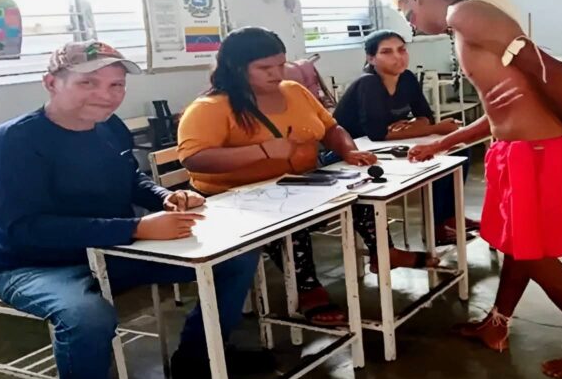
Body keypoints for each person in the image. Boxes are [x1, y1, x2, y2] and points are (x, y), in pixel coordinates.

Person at [0, 41, 268, 379]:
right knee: (87, 317)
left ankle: (198, 357)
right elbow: (26, 230)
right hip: (35, 265)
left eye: (116, 84)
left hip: (115, 252)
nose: (105, 95)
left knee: (236, 256)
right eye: (88, 83)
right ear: (51, 83)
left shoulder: (109, 126)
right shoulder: (13, 142)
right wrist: (136, 228)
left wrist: (166, 197)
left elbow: (130, 177)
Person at [393, 0, 562, 379]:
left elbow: (552, 71)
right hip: (519, 152)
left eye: (407, 13)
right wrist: (441, 143)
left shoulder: (465, 15)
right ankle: (496, 324)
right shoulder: (463, 26)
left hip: (537, 153)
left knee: (533, 253)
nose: (410, 23)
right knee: (519, 246)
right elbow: (500, 109)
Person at [177, 26, 438, 326]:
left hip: (299, 181)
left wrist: (347, 151)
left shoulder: (294, 91)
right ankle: (307, 288)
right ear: (235, 69)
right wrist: (262, 150)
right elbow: (195, 159)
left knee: (360, 192)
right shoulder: (209, 108)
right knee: (289, 220)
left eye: (280, 64)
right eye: (264, 68)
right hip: (238, 198)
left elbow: (331, 128)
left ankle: (385, 252)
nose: (276, 74)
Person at [333, 29, 477, 244]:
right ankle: (435, 226)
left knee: (458, 151)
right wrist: (434, 128)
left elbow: (424, 116)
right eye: (387, 52)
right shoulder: (368, 83)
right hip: (356, 153)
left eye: (401, 50)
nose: (398, 57)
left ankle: (449, 216)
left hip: (387, 146)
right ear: (371, 58)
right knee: (437, 160)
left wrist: (413, 125)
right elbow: (377, 133)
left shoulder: (407, 78)